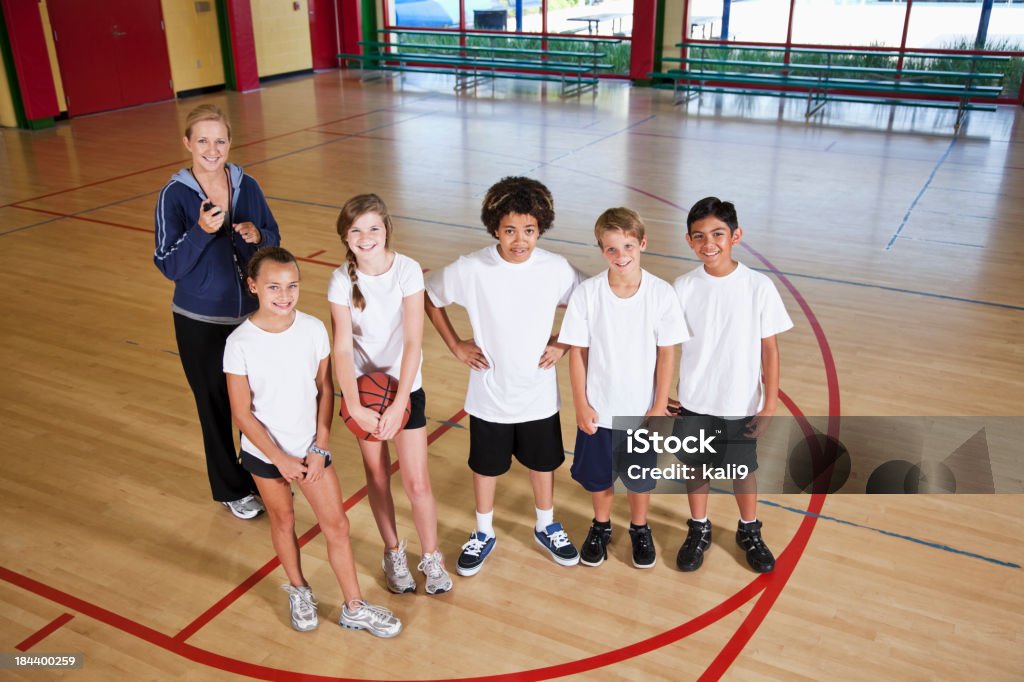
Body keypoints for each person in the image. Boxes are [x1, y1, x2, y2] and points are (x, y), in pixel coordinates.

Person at [224, 246, 402, 637]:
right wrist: (279, 459)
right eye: (273, 287)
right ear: (253, 286)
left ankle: (354, 605)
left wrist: (320, 445)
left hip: (310, 451)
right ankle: (299, 590)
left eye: (292, 286)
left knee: (336, 525)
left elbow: (326, 389)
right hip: (266, 455)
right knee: (283, 520)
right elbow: (242, 413)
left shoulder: (312, 329)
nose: (284, 295)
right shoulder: (239, 343)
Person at [425, 176, 584, 577]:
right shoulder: (471, 268)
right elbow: (429, 296)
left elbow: (588, 303)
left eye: (529, 230)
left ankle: (546, 524)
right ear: (494, 226)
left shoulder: (555, 268)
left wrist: (562, 343)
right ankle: (483, 531)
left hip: (538, 393)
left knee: (543, 462)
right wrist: (456, 345)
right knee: (486, 466)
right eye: (510, 230)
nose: (519, 240)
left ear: (540, 228)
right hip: (489, 394)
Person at [153, 104, 280, 520]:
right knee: (215, 406)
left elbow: (274, 239)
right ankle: (231, 488)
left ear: (230, 143)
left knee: (260, 403)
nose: (212, 148)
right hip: (200, 321)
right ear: (187, 143)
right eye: (203, 140)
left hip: (251, 317)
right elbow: (168, 263)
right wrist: (201, 232)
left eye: (220, 140)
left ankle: (265, 475)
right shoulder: (175, 195)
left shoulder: (248, 185)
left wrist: (257, 235)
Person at [328, 194, 452, 596]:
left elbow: (415, 340)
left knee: (417, 482)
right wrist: (353, 404)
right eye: (357, 230)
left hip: (404, 390)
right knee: (378, 479)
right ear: (346, 237)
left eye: (374, 228)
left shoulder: (407, 270)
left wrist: (401, 402)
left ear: (387, 231)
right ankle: (393, 551)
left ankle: (430, 556)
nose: (366, 237)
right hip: (363, 393)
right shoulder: (340, 280)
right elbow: (342, 348)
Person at [558, 208, 688, 569]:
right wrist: (581, 404)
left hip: (643, 411)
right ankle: (600, 526)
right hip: (599, 408)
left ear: (642, 243)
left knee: (639, 479)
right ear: (601, 250)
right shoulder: (587, 294)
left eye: (628, 245)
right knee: (599, 478)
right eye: (612, 248)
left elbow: (666, 355)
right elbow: (577, 354)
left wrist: (659, 406)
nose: (621, 255)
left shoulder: (661, 294)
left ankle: (639, 528)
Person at [671, 197, 793, 574]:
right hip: (695, 399)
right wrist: (660, 395)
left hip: (740, 402)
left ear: (736, 235)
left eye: (718, 234)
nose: (709, 243)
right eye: (699, 236)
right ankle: (698, 527)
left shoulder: (758, 286)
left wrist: (768, 404)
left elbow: (769, 349)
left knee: (741, 469)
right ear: (690, 241)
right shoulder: (683, 287)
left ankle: (749, 529)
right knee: (696, 468)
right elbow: (662, 345)